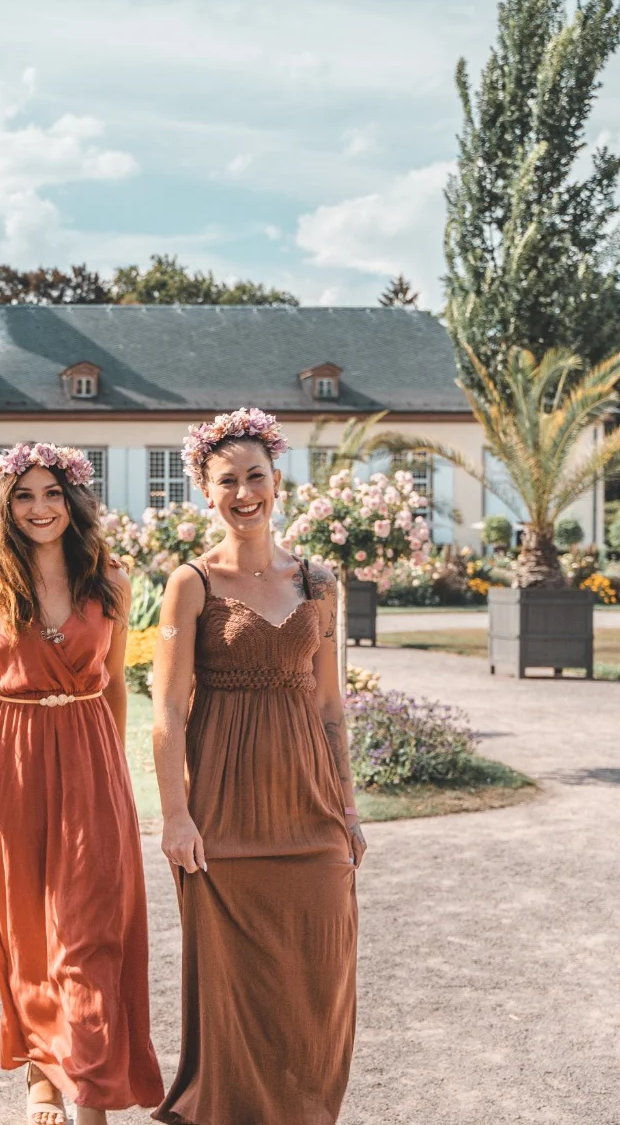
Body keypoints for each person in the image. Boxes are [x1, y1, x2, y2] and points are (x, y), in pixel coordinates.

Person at [149, 408, 364, 1125]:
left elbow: (331, 707)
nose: (243, 494)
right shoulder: (191, 584)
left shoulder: (320, 582)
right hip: (225, 817)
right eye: (227, 482)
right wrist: (176, 817)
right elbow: (168, 711)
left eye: (255, 478)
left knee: (318, 978)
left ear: (278, 482)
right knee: (237, 986)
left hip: (311, 811)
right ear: (205, 492)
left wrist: (350, 810)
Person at [0, 443, 164, 1124]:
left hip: (91, 758)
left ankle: (91, 1092)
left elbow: (118, 684)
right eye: (25, 496)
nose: (40, 508)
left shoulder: (112, 581)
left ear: (74, 502)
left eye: (53, 494)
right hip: (12, 760)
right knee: (28, 925)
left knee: (89, 929)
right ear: (6, 508)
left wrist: (116, 776)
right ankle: (42, 1068)